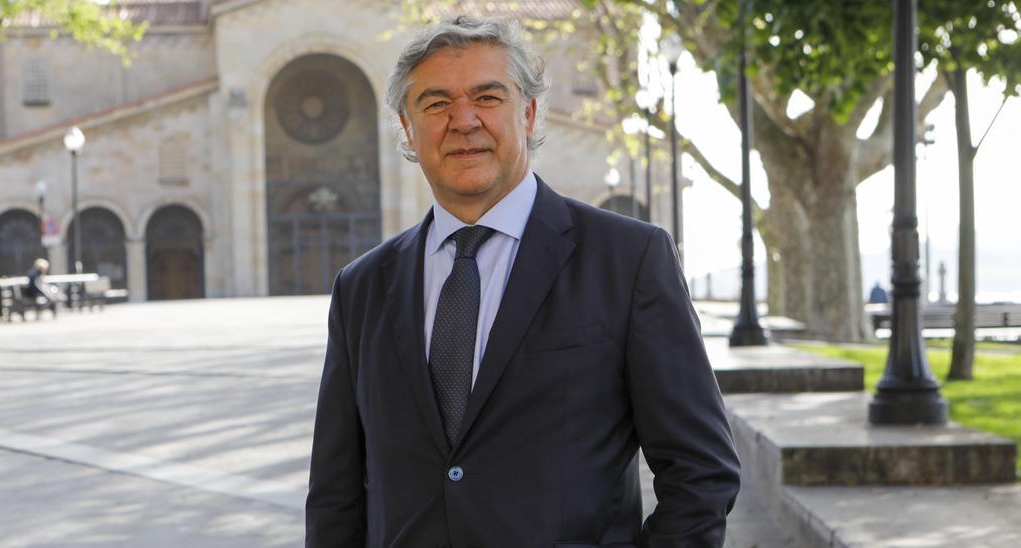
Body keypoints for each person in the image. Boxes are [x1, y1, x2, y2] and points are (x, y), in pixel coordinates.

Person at [306, 16, 740, 547]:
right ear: (408, 127)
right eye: (436, 104)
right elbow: (335, 494)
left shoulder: (628, 259)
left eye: (488, 98)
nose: (463, 121)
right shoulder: (362, 287)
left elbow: (702, 471)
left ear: (529, 113)